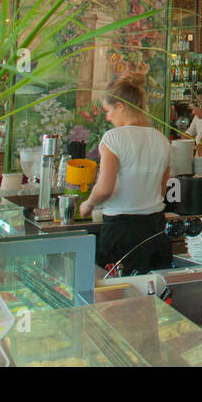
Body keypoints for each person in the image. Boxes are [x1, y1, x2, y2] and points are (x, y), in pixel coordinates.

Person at [79, 73, 173, 275]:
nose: (107, 116)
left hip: (121, 231)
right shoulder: (162, 139)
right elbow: (162, 189)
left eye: (108, 110)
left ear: (120, 106)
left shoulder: (113, 138)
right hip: (155, 228)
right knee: (154, 296)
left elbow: (105, 189)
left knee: (117, 298)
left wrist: (88, 205)